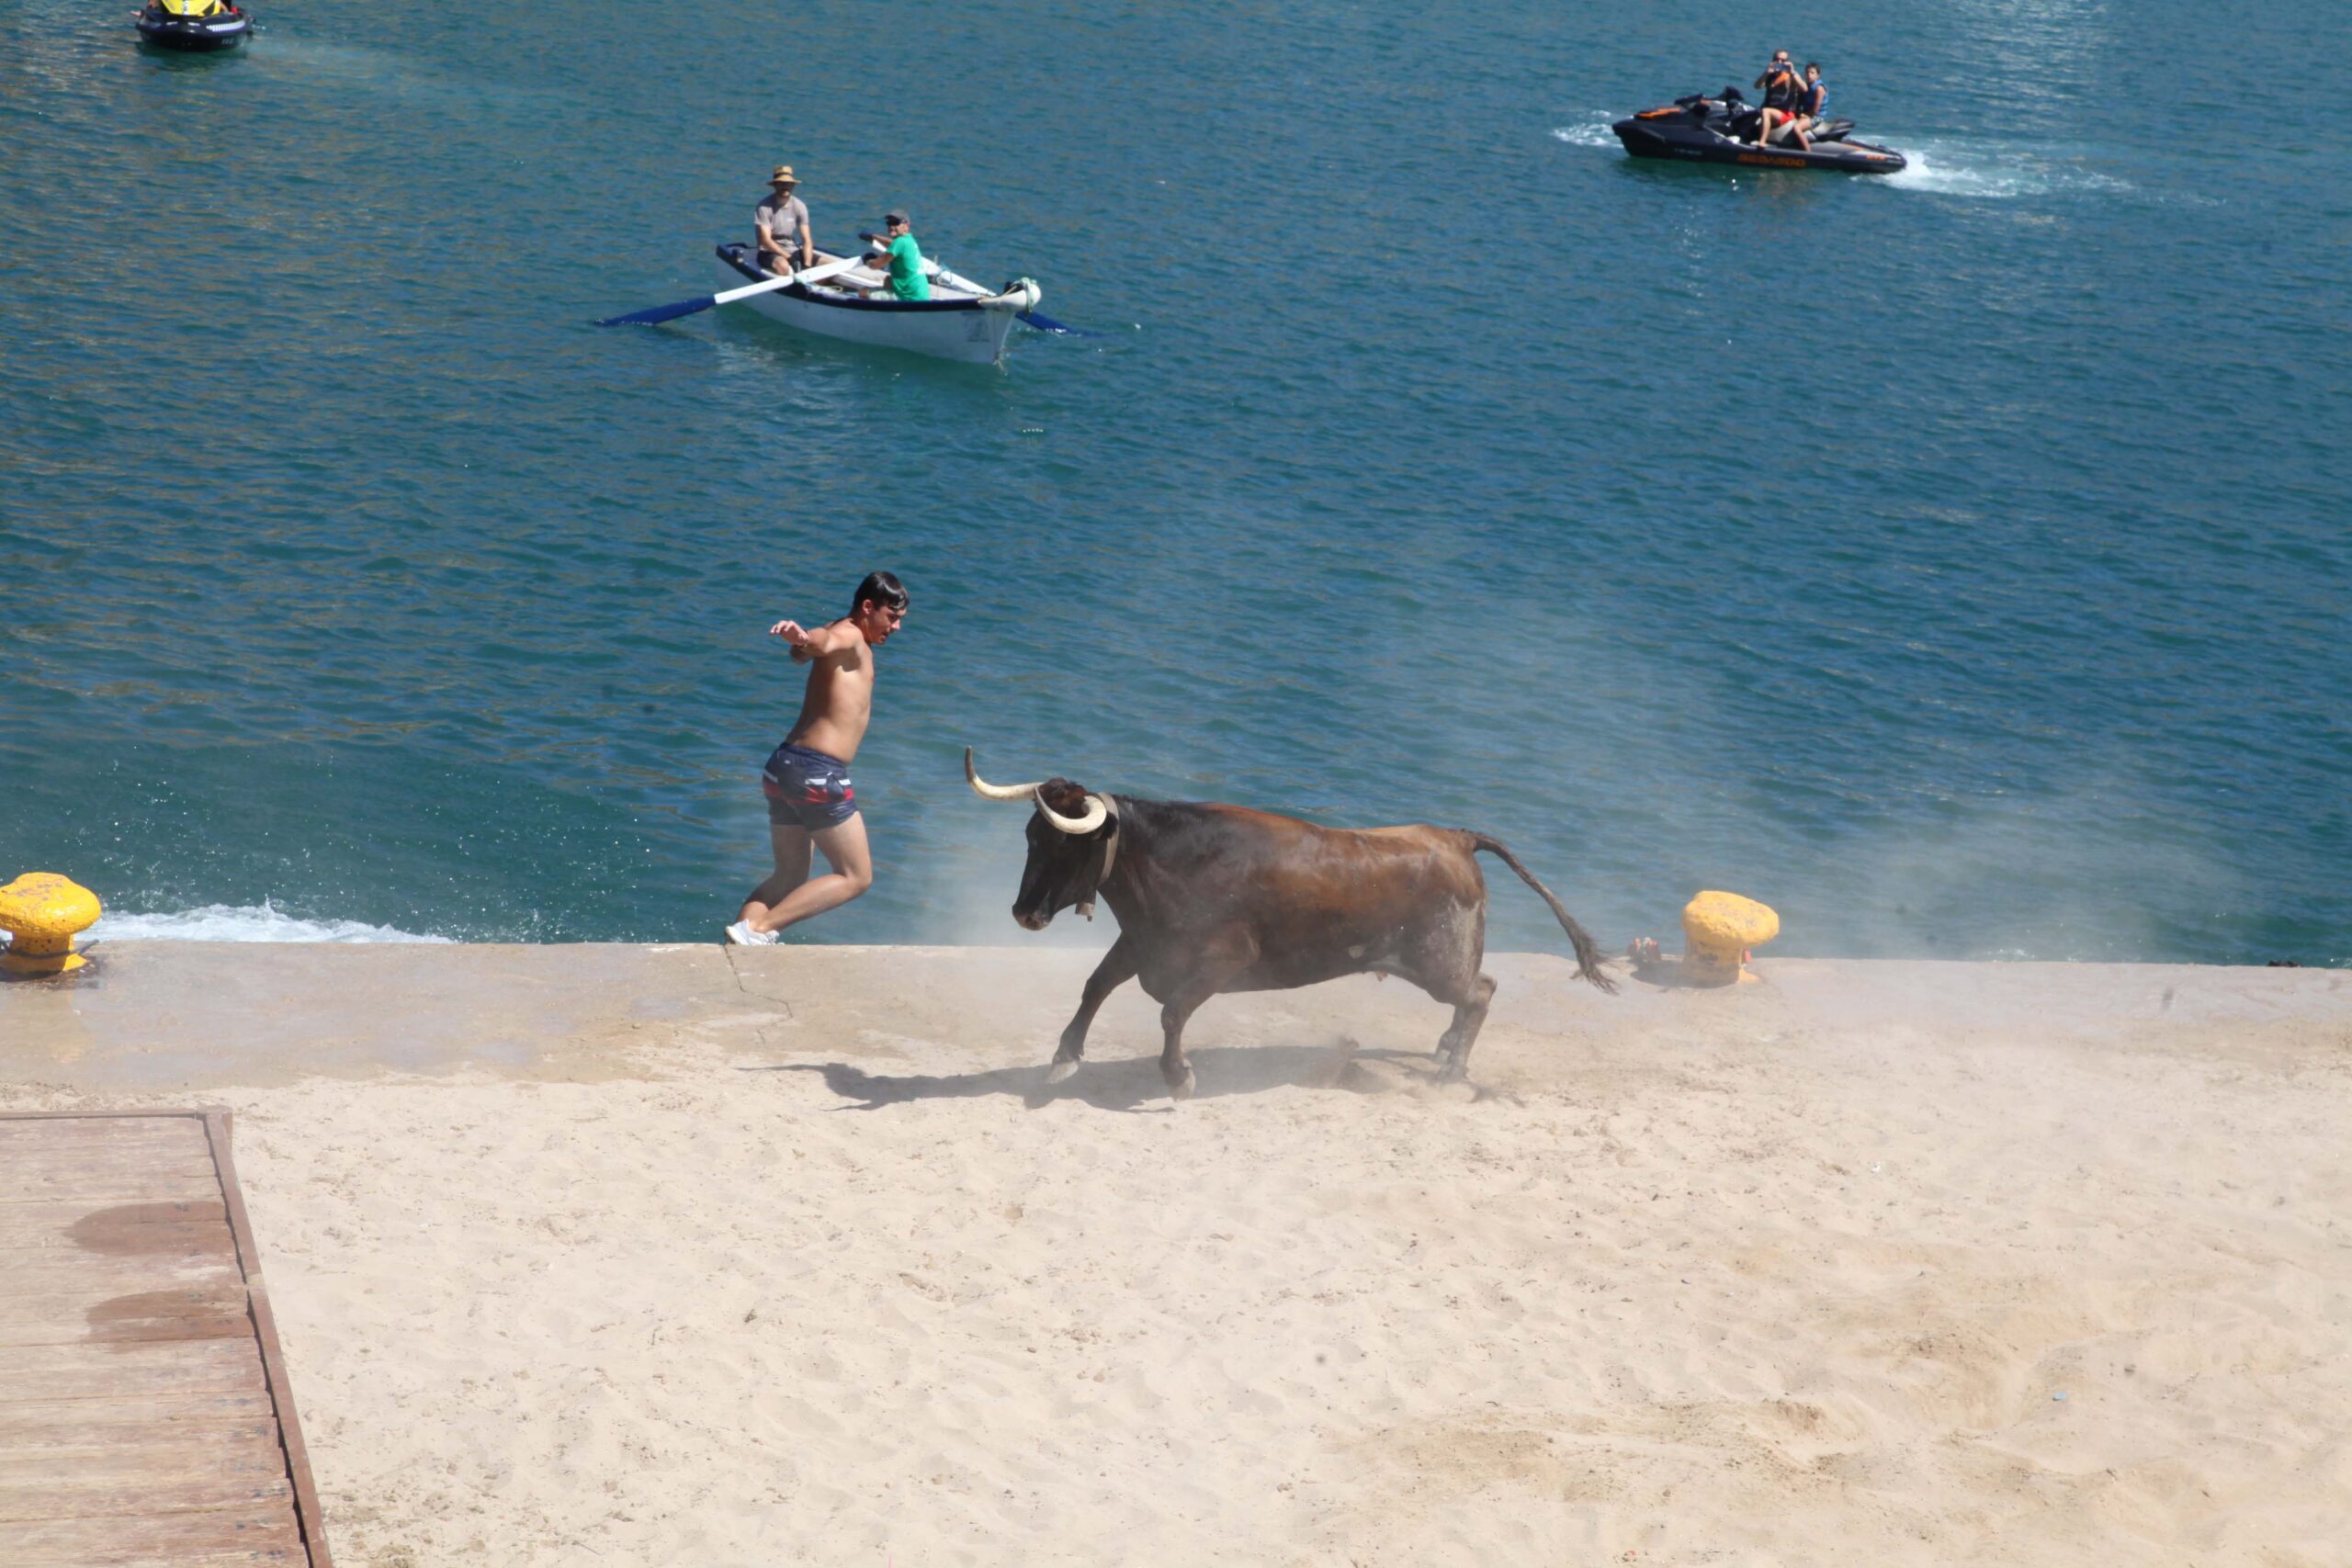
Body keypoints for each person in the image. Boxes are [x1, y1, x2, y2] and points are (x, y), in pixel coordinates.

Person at [725, 572, 910, 946]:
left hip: (785, 767)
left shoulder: (843, 633)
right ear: (868, 607)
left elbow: (807, 651)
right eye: (891, 616)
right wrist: (806, 638)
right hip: (815, 772)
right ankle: (758, 930)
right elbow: (823, 642)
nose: (897, 626)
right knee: (856, 876)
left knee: (789, 875)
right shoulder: (851, 635)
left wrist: (801, 642)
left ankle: (737, 946)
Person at [754, 164, 815, 277]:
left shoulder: (800, 206)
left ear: (793, 185)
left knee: (828, 263)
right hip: (768, 252)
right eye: (781, 184)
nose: (785, 187)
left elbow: (807, 240)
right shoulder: (764, 207)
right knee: (783, 266)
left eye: (788, 184)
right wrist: (789, 258)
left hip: (792, 249)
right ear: (775, 185)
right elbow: (766, 241)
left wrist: (807, 266)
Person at [863, 209, 930, 301]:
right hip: (922, 296)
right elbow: (891, 244)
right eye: (889, 223)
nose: (891, 226)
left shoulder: (899, 242)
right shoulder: (909, 240)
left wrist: (867, 261)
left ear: (906, 226)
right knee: (888, 280)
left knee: (863, 292)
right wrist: (874, 237)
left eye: (895, 223)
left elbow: (876, 265)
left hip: (907, 298)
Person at [1754, 58, 1804, 145]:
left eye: (1783, 61)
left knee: (1766, 111)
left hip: (1785, 113)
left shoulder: (1791, 75)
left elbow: (1804, 88)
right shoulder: (1771, 76)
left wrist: (1793, 72)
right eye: (1777, 60)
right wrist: (1766, 72)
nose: (1780, 62)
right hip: (1773, 112)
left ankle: (1762, 142)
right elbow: (1757, 86)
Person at [1783, 62, 1828, 152]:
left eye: (1812, 73)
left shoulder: (1819, 89)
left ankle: (1807, 151)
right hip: (1807, 114)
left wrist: (1805, 115)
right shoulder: (1806, 86)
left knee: (1797, 128)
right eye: (1807, 73)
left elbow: (1815, 110)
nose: (1809, 75)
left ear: (1818, 75)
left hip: (1816, 117)